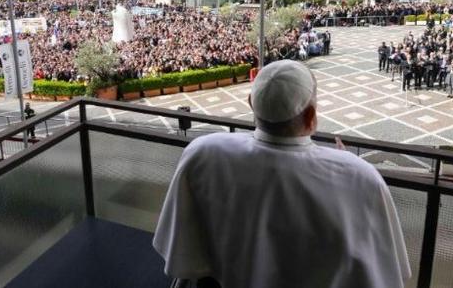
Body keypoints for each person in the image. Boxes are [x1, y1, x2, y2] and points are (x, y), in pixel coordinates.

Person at [153, 61, 411, 287]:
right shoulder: (361, 178)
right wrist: (345, 165)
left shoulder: (203, 152)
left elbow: (180, 254)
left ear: (251, 103)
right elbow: (385, 273)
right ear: (311, 116)